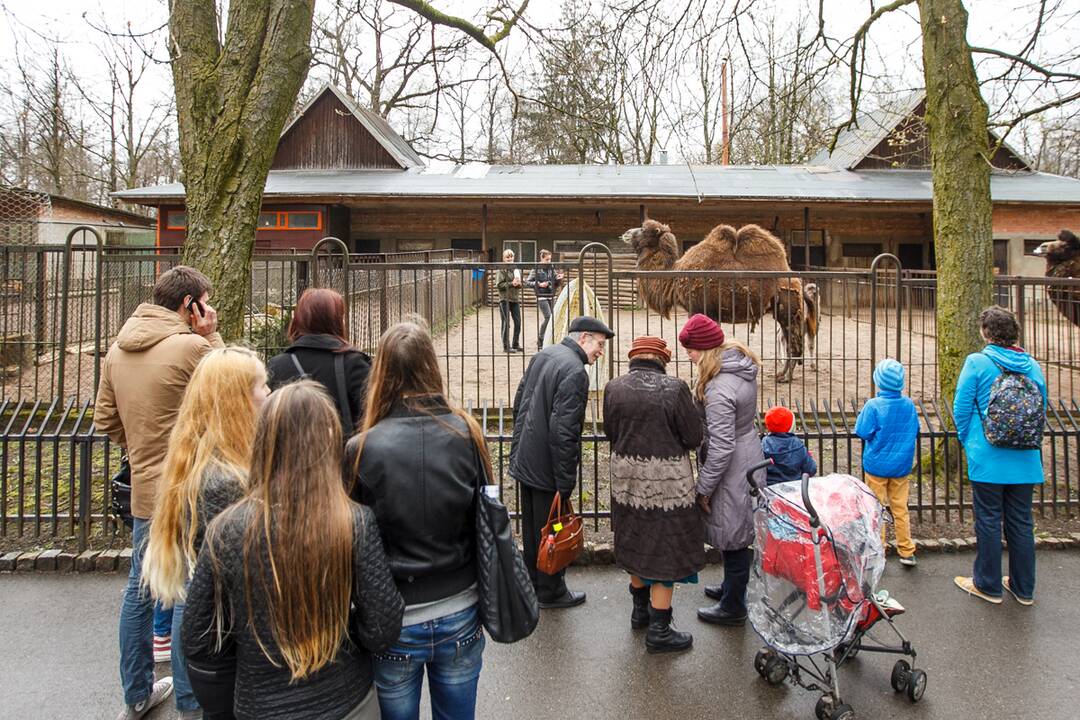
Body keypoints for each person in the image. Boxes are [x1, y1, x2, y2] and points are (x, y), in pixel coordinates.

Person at [181, 381, 404, 720]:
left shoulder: (226, 530)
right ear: (329, 437)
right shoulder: (353, 522)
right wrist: (344, 635)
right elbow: (383, 626)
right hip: (345, 701)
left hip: (261, 704)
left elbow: (199, 640)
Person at [95, 265, 223, 720]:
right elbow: (232, 394)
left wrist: (143, 447)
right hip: (189, 488)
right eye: (206, 302)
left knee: (140, 589)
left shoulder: (116, 350)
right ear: (191, 305)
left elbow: (106, 420)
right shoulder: (192, 346)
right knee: (190, 590)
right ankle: (191, 700)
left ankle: (136, 691)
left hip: (146, 491)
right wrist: (213, 337)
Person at [346, 320, 491, 719]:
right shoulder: (467, 434)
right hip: (459, 605)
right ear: (431, 365)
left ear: (382, 372)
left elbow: (352, 535)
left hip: (393, 616)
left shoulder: (361, 449)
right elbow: (484, 518)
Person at [141, 347, 269, 719]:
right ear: (238, 401)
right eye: (262, 386)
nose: (269, 394)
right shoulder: (223, 484)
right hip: (232, 645)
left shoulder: (211, 461)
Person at [604, 336, 703, 653]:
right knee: (664, 547)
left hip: (626, 479)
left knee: (634, 538)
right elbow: (692, 436)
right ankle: (659, 629)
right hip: (666, 486)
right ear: (662, 360)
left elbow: (610, 432)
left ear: (633, 358)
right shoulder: (674, 389)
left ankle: (639, 612)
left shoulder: (613, 388)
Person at [509, 315, 614, 609]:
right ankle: (551, 590)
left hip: (527, 459)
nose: (600, 351)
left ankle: (532, 582)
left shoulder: (546, 354)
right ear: (583, 338)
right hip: (547, 468)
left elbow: (520, 402)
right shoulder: (575, 371)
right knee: (553, 530)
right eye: (599, 344)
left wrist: (522, 444)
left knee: (533, 530)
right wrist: (565, 481)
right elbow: (564, 431)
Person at [953, 306, 1047, 606]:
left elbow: (962, 407)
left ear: (985, 332)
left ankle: (988, 584)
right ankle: (1023, 587)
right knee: (1021, 522)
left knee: (989, 519)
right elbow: (1040, 406)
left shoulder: (978, 362)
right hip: (1025, 457)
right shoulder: (1032, 365)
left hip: (988, 456)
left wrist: (969, 441)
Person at [678, 314, 765, 627]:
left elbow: (722, 446)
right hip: (748, 455)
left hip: (733, 466)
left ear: (705, 348)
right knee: (735, 528)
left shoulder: (718, 388)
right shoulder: (738, 365)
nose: (687, 354)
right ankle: (731, 587)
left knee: (736, 534)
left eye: (690, 349)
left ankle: (733, 606)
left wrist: (704, 487)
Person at [267, 288, 371, 436]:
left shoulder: (277, 365)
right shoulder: (354, 363)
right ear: (336, 321)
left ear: (298, 319)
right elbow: (372, 415)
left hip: (290, 455)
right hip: (341, 455)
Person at [855, 359, 920, 567]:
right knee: (900, 508)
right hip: (901, 465)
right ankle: (907, 550)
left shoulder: (874, 405)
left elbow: (862, 431)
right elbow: (915, 430)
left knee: (876, 507)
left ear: (878, 381)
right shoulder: (908, 405)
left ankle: (878, 547)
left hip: (877, 465)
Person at [761, 405, 817, 486]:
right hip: (794, 489)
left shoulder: (763, 444)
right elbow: (811, 469)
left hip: (770, 489)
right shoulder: (797, 444)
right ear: (791, 426)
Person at [525, 249, 564, 350]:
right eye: (547, 259)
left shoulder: (551, 267)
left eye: (550, 259)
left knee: (554, 318)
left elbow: (555, 280)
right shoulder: (536, 268)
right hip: (542, 296)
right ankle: (541, 339)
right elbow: (528, 282)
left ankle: (550, 339)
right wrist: (539, 284)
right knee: (548, 317)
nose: (549, 261)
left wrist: (559, 278)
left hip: (552, 295)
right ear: (541, 258)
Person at [495, 249, 523, 353]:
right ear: (504, 258)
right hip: (504, 299)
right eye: (507, 257)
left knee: (518, 322)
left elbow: (520, 284)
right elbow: (499, 285)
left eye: (511, 257)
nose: (510, 259)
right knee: (506, 323)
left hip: (515, 299)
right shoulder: (501, 270)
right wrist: (512, 284)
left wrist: (519, 284)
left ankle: (515, 344)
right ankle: (506, 346)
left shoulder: (516, 270)